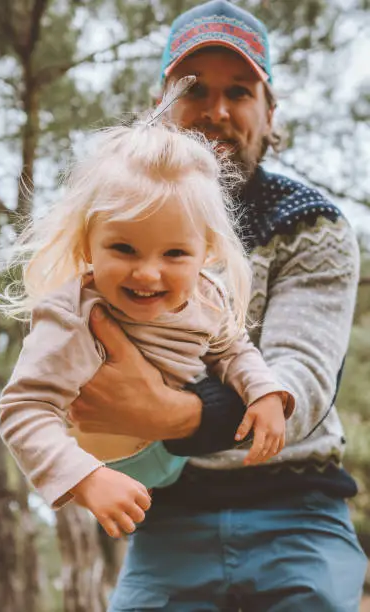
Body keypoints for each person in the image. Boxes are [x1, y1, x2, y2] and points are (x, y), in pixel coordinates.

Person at [69, 1, 368, 610]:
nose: (218, 110)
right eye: (193, 89)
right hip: (164, 515)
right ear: (161, 107)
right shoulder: (109, 226)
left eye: (240, 91)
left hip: (298, 509)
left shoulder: (312, 225)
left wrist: (164, 413)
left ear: (269, 112)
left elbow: (299, 383)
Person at [0, 117, 294, 538]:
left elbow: (232, 349)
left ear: (206, 251)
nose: (148, 274)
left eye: (174, 253)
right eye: (123, 248)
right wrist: (87, 478)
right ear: (87, 245)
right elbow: (23, 409)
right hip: (115, 465)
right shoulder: (71, 315)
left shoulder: (207, 295)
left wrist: (263, 391)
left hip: (178, 452)